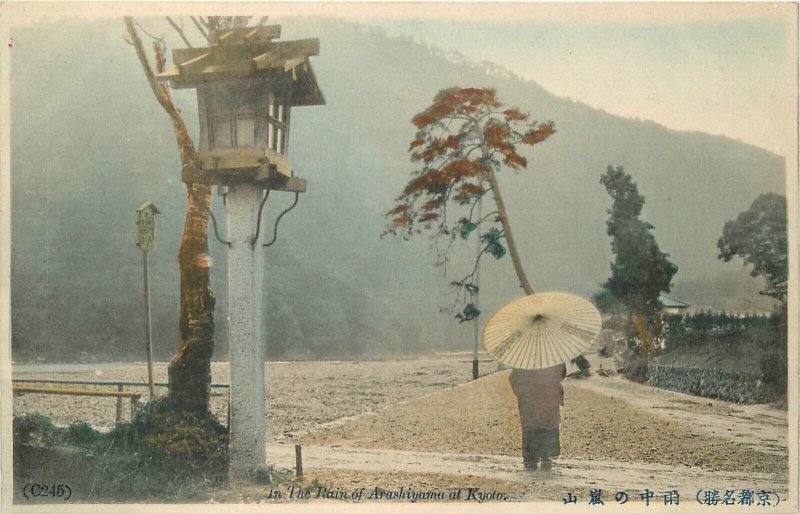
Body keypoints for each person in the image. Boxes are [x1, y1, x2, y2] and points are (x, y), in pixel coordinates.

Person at [509, 363, 567, 470]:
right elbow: (562, 374)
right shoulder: (553, 356)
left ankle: (530, 459)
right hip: (549, 397)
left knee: (530, 427)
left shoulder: (523, 360)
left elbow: (513, 379)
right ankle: (546, 456)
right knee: (548, 424)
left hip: (529, 399)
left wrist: (522, 394)